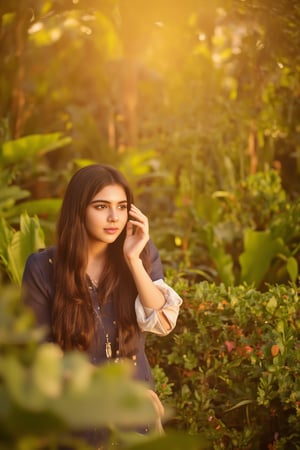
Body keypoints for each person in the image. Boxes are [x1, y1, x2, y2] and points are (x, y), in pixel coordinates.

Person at [22, 163, 182, 448]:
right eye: (101, 207)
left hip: (136, 417)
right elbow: (42, 354)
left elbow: (163, 321)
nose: (114, 217)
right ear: (79, 209)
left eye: (122, 207)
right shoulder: (43, 267)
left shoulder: (139, 254)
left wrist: (133, 261)